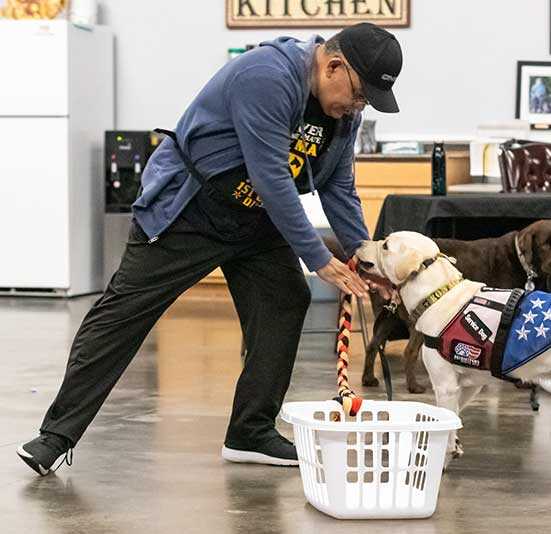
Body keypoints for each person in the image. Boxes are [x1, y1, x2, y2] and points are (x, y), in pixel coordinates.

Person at [17, 23, 403, 476]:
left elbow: (338, 186)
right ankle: (56, 436)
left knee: (284, 298)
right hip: (190, 209)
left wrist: (365, 257)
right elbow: (272, 177)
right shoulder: (267, 75)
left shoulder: (343, 116)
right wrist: (319, 259)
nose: (356, 108)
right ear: (334, 65)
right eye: (359, 96)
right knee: (124, 312)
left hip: (255, 217)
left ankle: (250, 432)